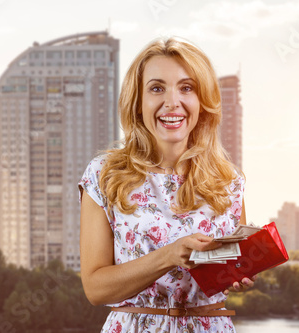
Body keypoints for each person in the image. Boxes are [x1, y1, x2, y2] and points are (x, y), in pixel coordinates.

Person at [78, 36, 255, 332]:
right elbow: (95, 289)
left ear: (202, 102)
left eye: (186, 88)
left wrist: (241, 275)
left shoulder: (228, 182)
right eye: (157, 88)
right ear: (138, 102)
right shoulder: (103, 175)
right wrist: (169, 255)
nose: (172, 102)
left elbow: (232, 271)